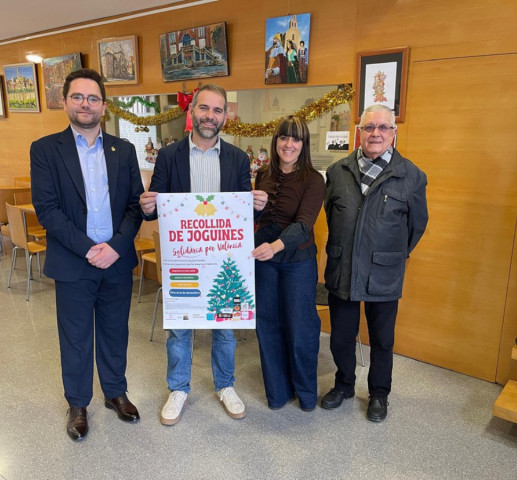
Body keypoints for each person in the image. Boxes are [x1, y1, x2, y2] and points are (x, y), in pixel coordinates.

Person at [139, 84, 268, 426]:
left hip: (225, 258)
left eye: (218, 110)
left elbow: (241, 216)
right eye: (204, 108)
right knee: (181, 328)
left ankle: (225, 385)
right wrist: (147, 206)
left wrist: (256, 207)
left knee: (225, 328)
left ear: (226, 116)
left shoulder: (239, 159)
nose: (210, 116)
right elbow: (157, 211)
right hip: (184, 258)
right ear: (192, 112)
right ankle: (178, 388)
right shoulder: (168, 157)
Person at [30, 68, 144, 440]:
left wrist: (113, 248)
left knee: (115, 331)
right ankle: (78, 403)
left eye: (93, 98)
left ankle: (115, 393)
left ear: (104, 106)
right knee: (76, 336)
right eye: (77, 97)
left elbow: (134, 206)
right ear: (65, 102)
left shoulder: (124, 150)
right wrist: (89, 249)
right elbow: (47, 209)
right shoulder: (46, 149)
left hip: (116, 261)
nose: (85, 104)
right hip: (73, 261)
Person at [320, 104, 428, 422]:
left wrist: (390, 254)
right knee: (341, 336)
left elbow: (416, 226)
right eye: (369, 128)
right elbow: (331, 215)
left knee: (382, 339)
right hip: (343, 268)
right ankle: (343, 385)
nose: (376, 134)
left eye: (383, 128)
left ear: (394, 133)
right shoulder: (337, 172)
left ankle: (379, 394)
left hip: (385, 271)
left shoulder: (411, 175)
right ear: (359, 132)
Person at [252, 116, 325, 411]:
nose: (289, 144)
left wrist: (275, 247)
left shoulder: (313, 179)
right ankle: (278, 392)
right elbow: (257, 218)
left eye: (296, 139)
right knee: (267, 326)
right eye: (284, 138)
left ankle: (306, 394)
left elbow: (305, 224)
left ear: (303, 144)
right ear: (276, 141)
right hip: (264, 261)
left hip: (297, 261)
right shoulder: (263, 175)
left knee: (300, 328)